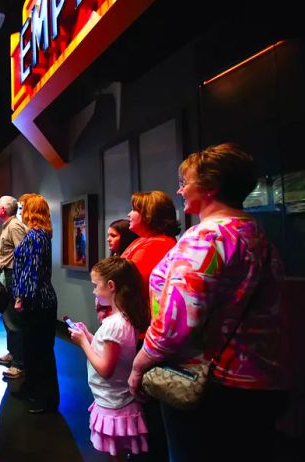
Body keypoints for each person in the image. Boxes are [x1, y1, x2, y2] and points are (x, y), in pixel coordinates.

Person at [128, 143, 289, 462]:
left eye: (185, 182)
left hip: (210, 387)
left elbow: (177, 322)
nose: (180, 190)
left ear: (211, 186)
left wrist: (139, 365)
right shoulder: (255, 234)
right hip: (259, 384)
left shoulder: (207, 237)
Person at [70, 256, 150, 461]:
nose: (94, 291)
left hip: (114, 401)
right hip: (117, 398)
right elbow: (108, 349)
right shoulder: (122, 318)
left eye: (96, 286)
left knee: (116, 456)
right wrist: (89, 336)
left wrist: (83, 343)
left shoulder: (113, 324)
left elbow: (105, 368)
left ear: (111, 286)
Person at [11, 193, 59, 414]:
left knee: (40, 352)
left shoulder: (34, 237)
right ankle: (32, 388)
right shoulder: (42, 235)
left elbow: (32, 272)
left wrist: (22, 298)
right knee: (35, 350)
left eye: (22, 208)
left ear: (31, 211)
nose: (20, 212)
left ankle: (45, 398)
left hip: (37, 303)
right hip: (43, 300)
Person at [122, 191, 180, 304]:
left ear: (148, 214)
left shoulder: (160, 244)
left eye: (134, 210)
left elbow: (127, 282)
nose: (129, 214)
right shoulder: (142, 240)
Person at [0, 195, 27, 379]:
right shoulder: (10, 226)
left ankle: (19, 364)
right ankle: (13, 353)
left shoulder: (14, 227)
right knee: (8, 320)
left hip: (12, 276)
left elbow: (22, 254)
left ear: (3, 210)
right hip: (7, 276)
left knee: (13, 321)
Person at [96, 219, 139, 322]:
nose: (108, 239)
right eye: (108, 235)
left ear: (125, 238)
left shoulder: (128, 262)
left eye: (113, 236)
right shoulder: (112, 258)